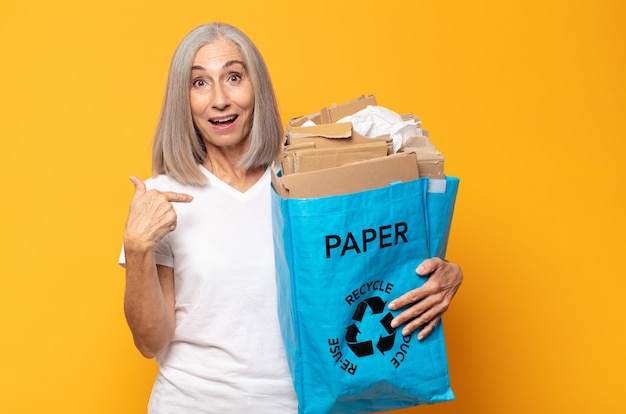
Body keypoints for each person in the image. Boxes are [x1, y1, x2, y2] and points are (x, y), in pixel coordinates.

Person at [120, 22, 463, 413]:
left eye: (234, 77)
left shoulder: (309, 186)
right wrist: (137, 248)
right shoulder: (162, 197)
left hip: (298, 403)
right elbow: (150, 342)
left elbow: (370, 267)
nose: (219, 99)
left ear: (257, 89)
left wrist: (442, 274)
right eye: (199, 83)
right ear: (183, 99)